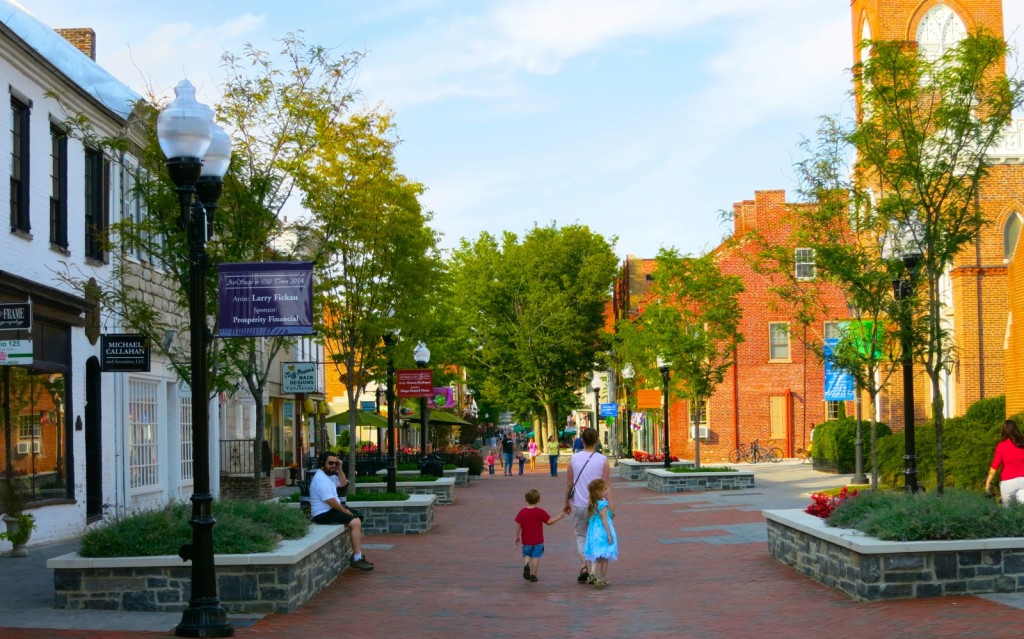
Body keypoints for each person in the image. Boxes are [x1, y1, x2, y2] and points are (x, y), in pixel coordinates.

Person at [309, 451, 374, 571]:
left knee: (359, 516)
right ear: (323, 463)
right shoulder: (320, 479)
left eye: (335, 462)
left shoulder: (329, 476)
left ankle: (357, 552)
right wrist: (345, 511)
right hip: (322, 514)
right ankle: (356, 559)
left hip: (331, 510)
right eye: (331, 463)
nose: (333, 465)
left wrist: (340, 468)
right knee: (355, 523)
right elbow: (331, 501)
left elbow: (343, 483)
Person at [563, 427, 610, 584]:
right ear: (596, 441)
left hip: (579, 504)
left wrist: (566, 503)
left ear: (581, 441)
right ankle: (594, 571)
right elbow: (605, 485)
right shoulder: (603, 460)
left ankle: (585, 566)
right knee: (596, 537)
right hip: (596, 506)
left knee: (581, 536)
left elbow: (569, 484)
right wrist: (608, 506)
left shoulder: (574, 459)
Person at [514, 488, 566, 582]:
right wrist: (560, 516)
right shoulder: (540, 512)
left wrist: (517, 536)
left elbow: (518, 525)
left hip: (526, 540)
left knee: (527, 554)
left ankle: (526, 565)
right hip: (538, 540)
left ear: (526, 499)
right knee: (536, 557)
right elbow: (549, 522)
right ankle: (534, 575)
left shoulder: (522, 512)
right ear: (538, 500)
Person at [583, 478, 617, 588]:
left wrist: (609, 514)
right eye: (605, 489)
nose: (607, 491)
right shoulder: (603, 503)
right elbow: (604, 519)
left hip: (594, 530)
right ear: (598, 491)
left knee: (596, 553)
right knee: (605, 555)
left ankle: (593, 572)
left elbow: (591, 517)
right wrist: (609, 534)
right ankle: (603, 579)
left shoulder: (592, 502)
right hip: (602, 530)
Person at [986, 419, 1024, 506]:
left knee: (1008, 512)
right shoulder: (1022, 444)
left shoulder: (1001, 446)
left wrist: (988, 482)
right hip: (1023, 480)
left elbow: (994, 467)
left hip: (1008, 482)